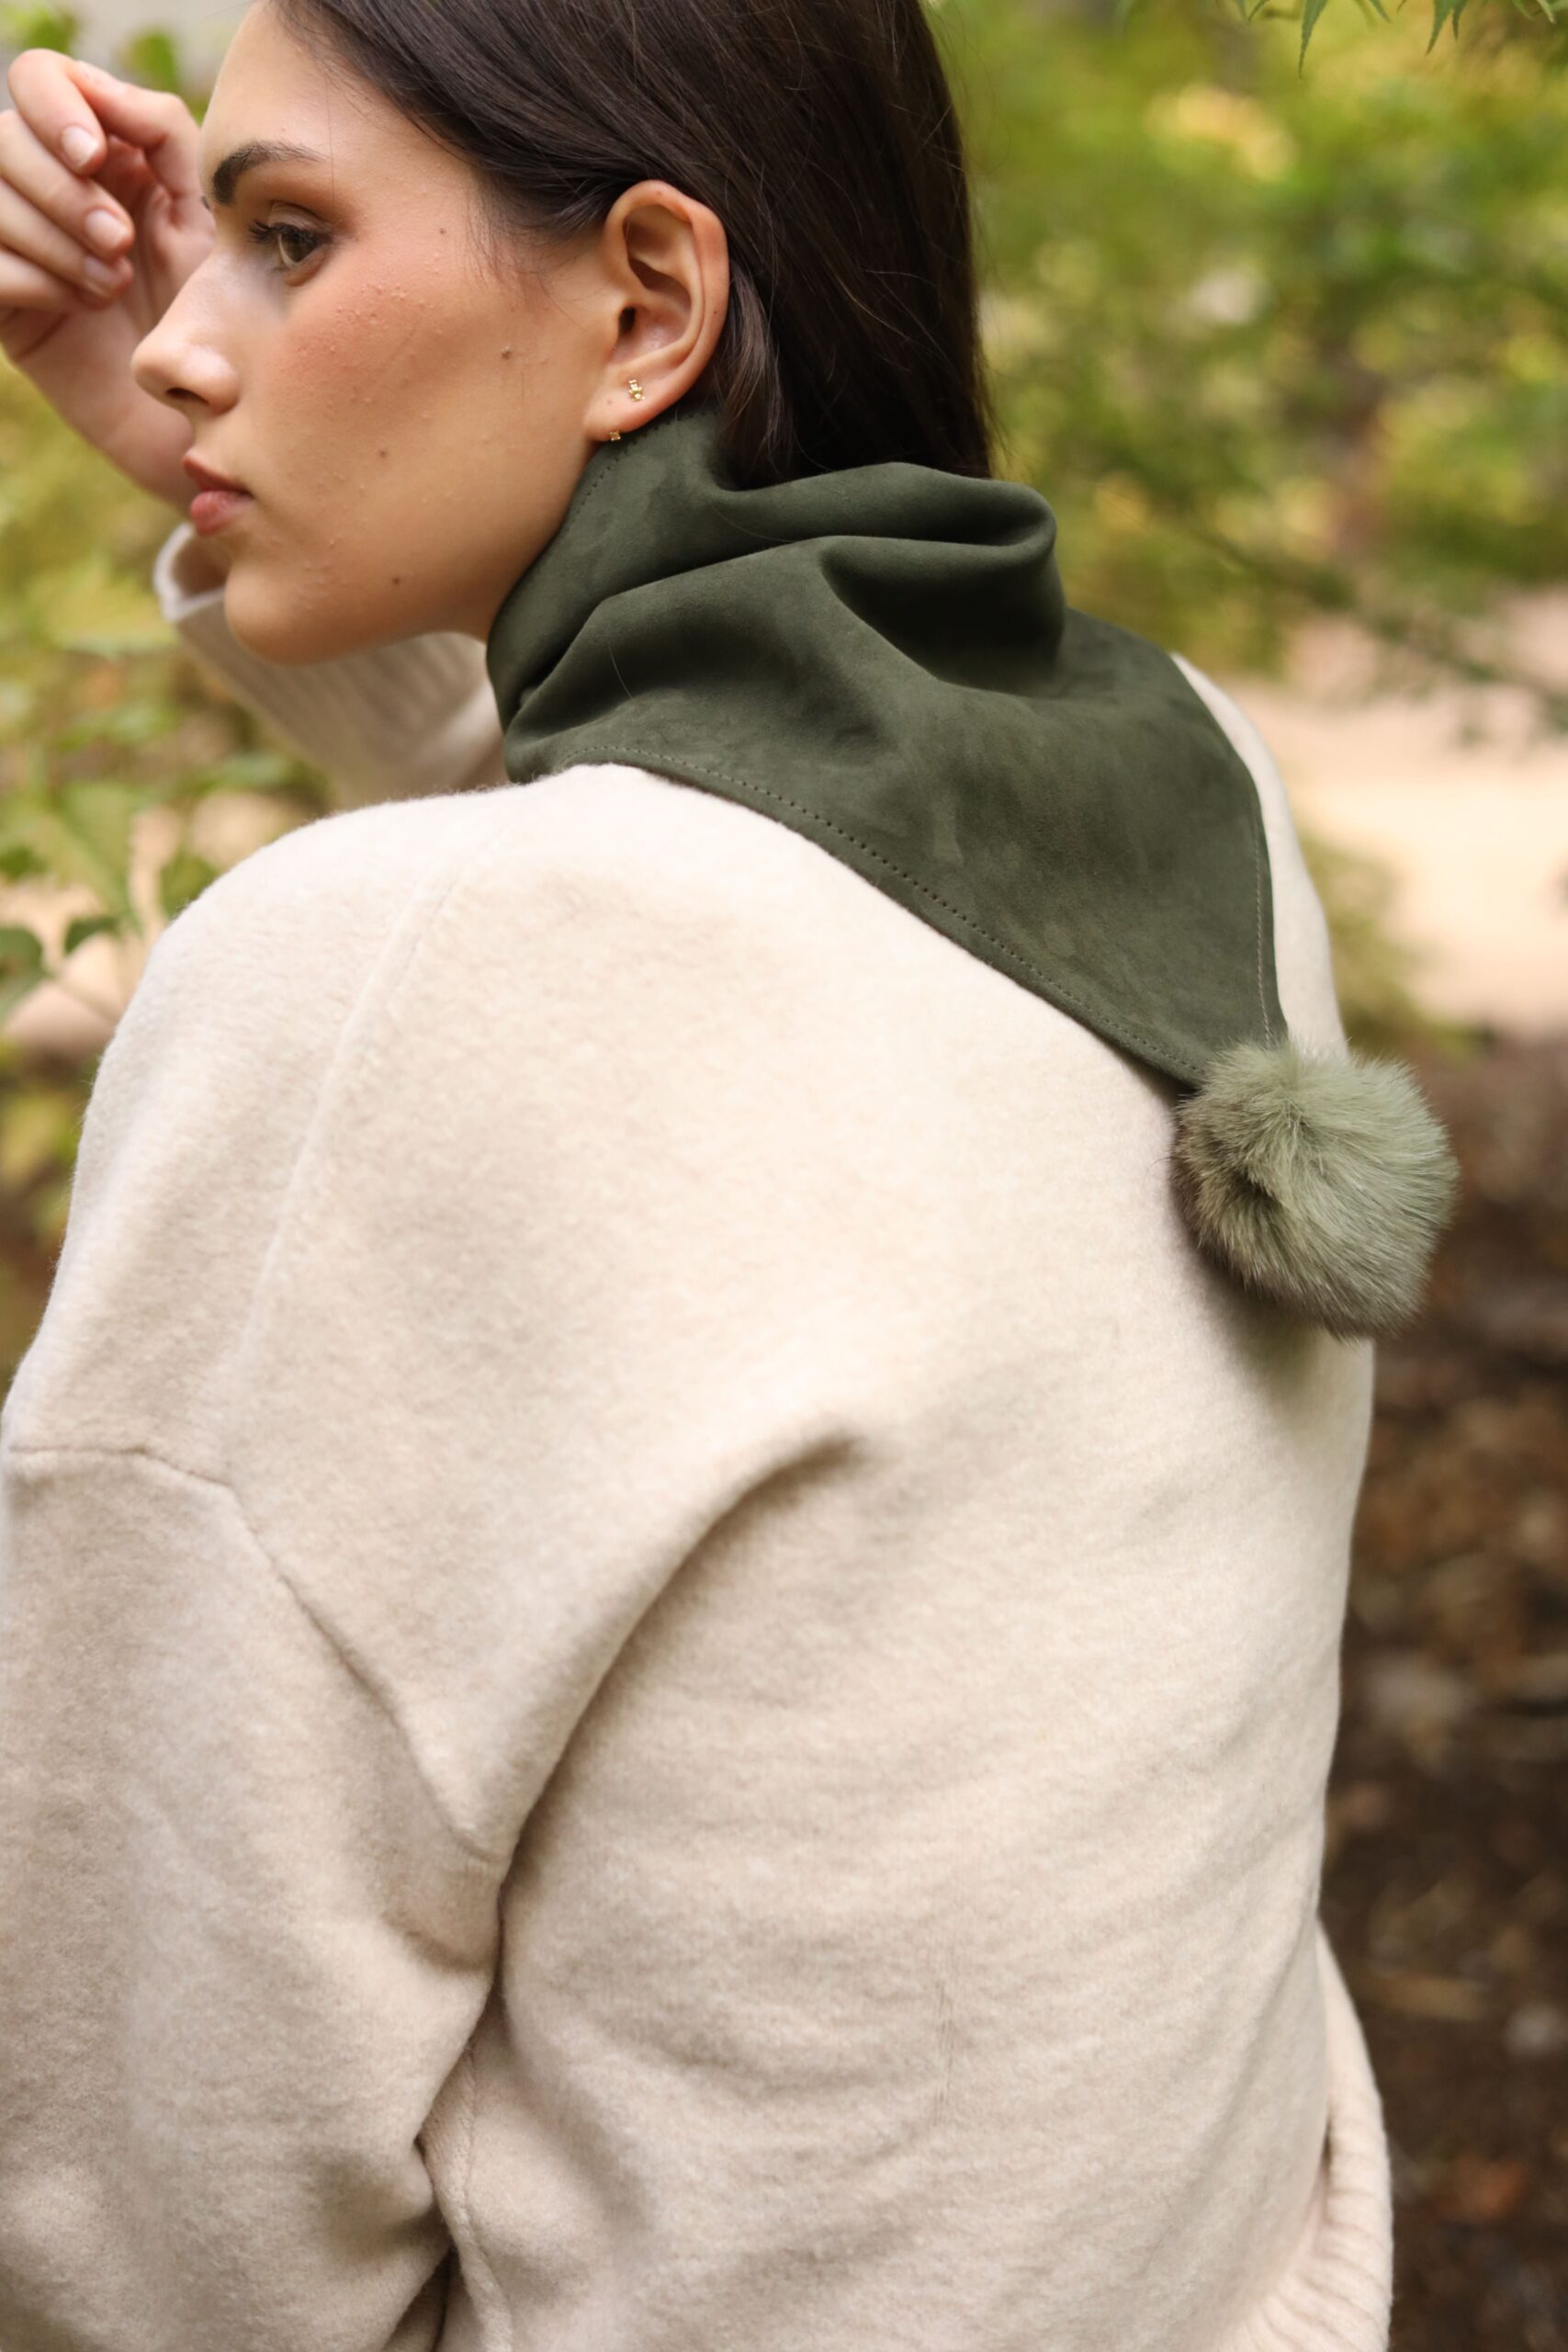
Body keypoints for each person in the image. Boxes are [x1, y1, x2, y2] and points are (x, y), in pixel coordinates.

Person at [0, 9, 1453, 2349]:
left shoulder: (378, 994)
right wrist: (218, 419)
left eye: (288, 239)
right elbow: (668, 848)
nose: (176, 337)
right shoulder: (1169, 782)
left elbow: (138, 2204)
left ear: (650, 305)